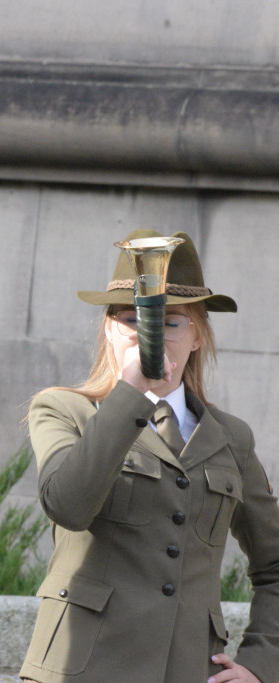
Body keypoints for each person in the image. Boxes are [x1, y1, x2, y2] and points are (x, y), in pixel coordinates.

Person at [20, 229, 279, 683]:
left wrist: (260, 664)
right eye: (130, 318)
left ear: (198, 335)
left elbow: (275, 563)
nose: (149, 334)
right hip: (82, 667)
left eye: (170, 321)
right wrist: (130, 393)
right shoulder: (66, 410)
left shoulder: (230, 438)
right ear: (107, 329)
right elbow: (67, 506)